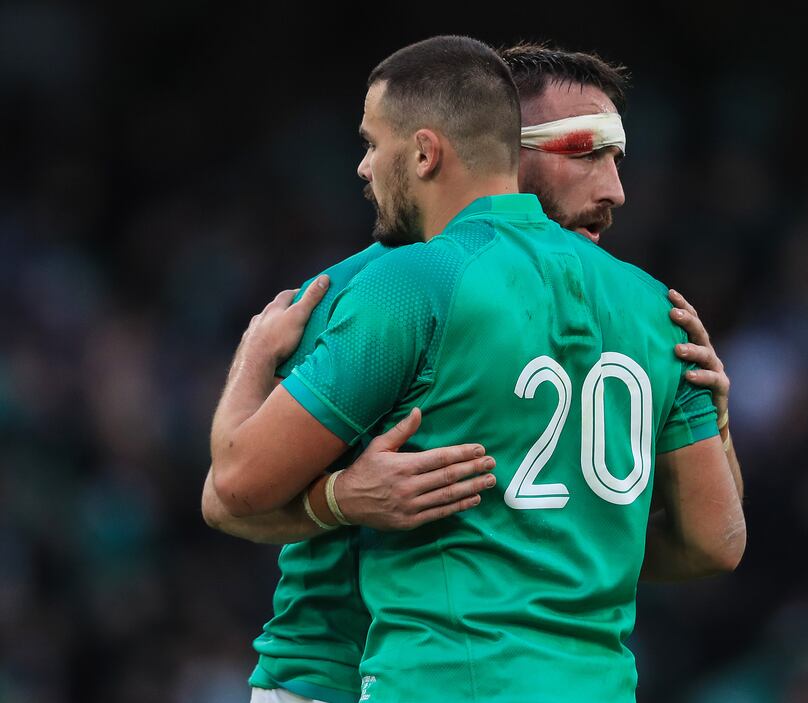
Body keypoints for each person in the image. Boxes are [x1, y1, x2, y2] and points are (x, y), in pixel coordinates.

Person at [203, 40, 743, 703]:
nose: (615, 189)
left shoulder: (406, 287)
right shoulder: (655, 308)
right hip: (340, 671)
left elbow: (229, 485)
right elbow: (716, 540)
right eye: (583, 150)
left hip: (423, 675)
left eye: (617, 157)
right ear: (508, 149)